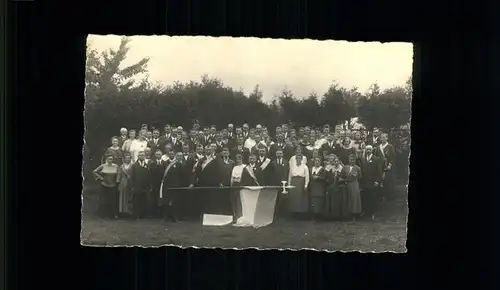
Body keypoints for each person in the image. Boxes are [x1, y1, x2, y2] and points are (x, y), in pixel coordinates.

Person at [160, 152, 186, 222]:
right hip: (168, 185)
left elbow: (183, 176)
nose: (179, 157)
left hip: (177, 185)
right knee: (166, 201)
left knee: (175, 201)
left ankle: (175, 216)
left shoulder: (183, 164)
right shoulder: (168, 163)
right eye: (177, 155)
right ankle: (166, 216)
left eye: (180, 156)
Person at [360, 145, 383, 220]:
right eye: (367, 149)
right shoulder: (363, 159)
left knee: (373, 197)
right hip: (365, 181)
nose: (368, 151)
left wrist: (377, 181)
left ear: (372, 150)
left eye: (369, 149)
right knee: (365, 197)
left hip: (373, 181)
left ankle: (373, 213)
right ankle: (366, 212)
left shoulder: (376, 159)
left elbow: (379, 171)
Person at [92, 154, 119, 219]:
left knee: (112, 201)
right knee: (104, 200)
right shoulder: (103, 166)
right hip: (104, 185)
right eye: (109, 159)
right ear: (107, 159)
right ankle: (103, 214)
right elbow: (94, 172)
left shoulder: (116, 166)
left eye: (111, 159)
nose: (110, 160)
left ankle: (112, 215)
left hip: (113, 185)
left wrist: (117, 181)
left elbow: (119, 174)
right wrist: (100, 177)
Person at [325, 156, 349, 220]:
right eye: (335, 161)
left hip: (340, 187)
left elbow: (346, 178)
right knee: (333, 202)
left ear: (339, 162)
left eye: (337, 161)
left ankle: (341, 216)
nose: (336, 162)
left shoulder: (342, 169)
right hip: (333, 187)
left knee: (340, 201)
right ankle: (334, 216)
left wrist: (342, 180)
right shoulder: (331, 169)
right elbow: (329, 178)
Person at [286, 154, 310, 219]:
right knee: (294, 198)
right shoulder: (292, 166)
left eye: (299, 158)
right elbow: (290, 176)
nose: (298, 159)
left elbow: (307, 177)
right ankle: (294, 213)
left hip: (301, 182)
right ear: (295, 159)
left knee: (300, 198)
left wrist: (306, 185)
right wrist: (289, 185)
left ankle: (301, 214)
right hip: (294, 182)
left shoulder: (305, 167)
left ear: (301, 159)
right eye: (297, 158)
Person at [130, 151, 152, 219]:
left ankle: (143, 215)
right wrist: (132, 186)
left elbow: (149, 176)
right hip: (137, 186)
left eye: (143, 155)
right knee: (137, 202)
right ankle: (136, 215)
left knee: (145, 201)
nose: (141, 156)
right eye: (140, 155)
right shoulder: (134, 165)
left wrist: (149, 186)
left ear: (144, 156)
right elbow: (132, 177)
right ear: (138, 156)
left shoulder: (147, 165)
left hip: (145, 187)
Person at [375, 133, 396, 201]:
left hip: (387, 165)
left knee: (388, 180)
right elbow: (376, 156)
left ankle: (389, 196)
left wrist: (390, 164)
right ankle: (381, 195)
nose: (383, 139)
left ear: (387, 138)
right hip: (380, 166)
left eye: (384, 137)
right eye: (381, 137)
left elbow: (393, 157)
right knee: (380, 180)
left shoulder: (390, 146)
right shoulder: (378, 147)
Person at [340, 154, 362, 221]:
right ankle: (347, 215)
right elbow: (342, 175)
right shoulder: (345, 167)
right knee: (347, 199)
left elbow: (359, 177)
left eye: (353, 160)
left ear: (355, 160)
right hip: (347, 185)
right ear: (348, 160)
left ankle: (354, 216)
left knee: (354, 199)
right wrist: (344, 180)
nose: (352, 161)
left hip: (354, 185)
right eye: (350, 159)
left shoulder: (358, 168)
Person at [149, 150, 165, 218]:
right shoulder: (152, 163)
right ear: (155, 155)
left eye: (159, 154)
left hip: (162, 183)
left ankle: (161, 213)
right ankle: (154, 213)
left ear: (161, 155)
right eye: (157, 154)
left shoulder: (165, 163)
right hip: (154, 183)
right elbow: (150, 173)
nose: (158, 155)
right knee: (154, 198)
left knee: (161, 198)